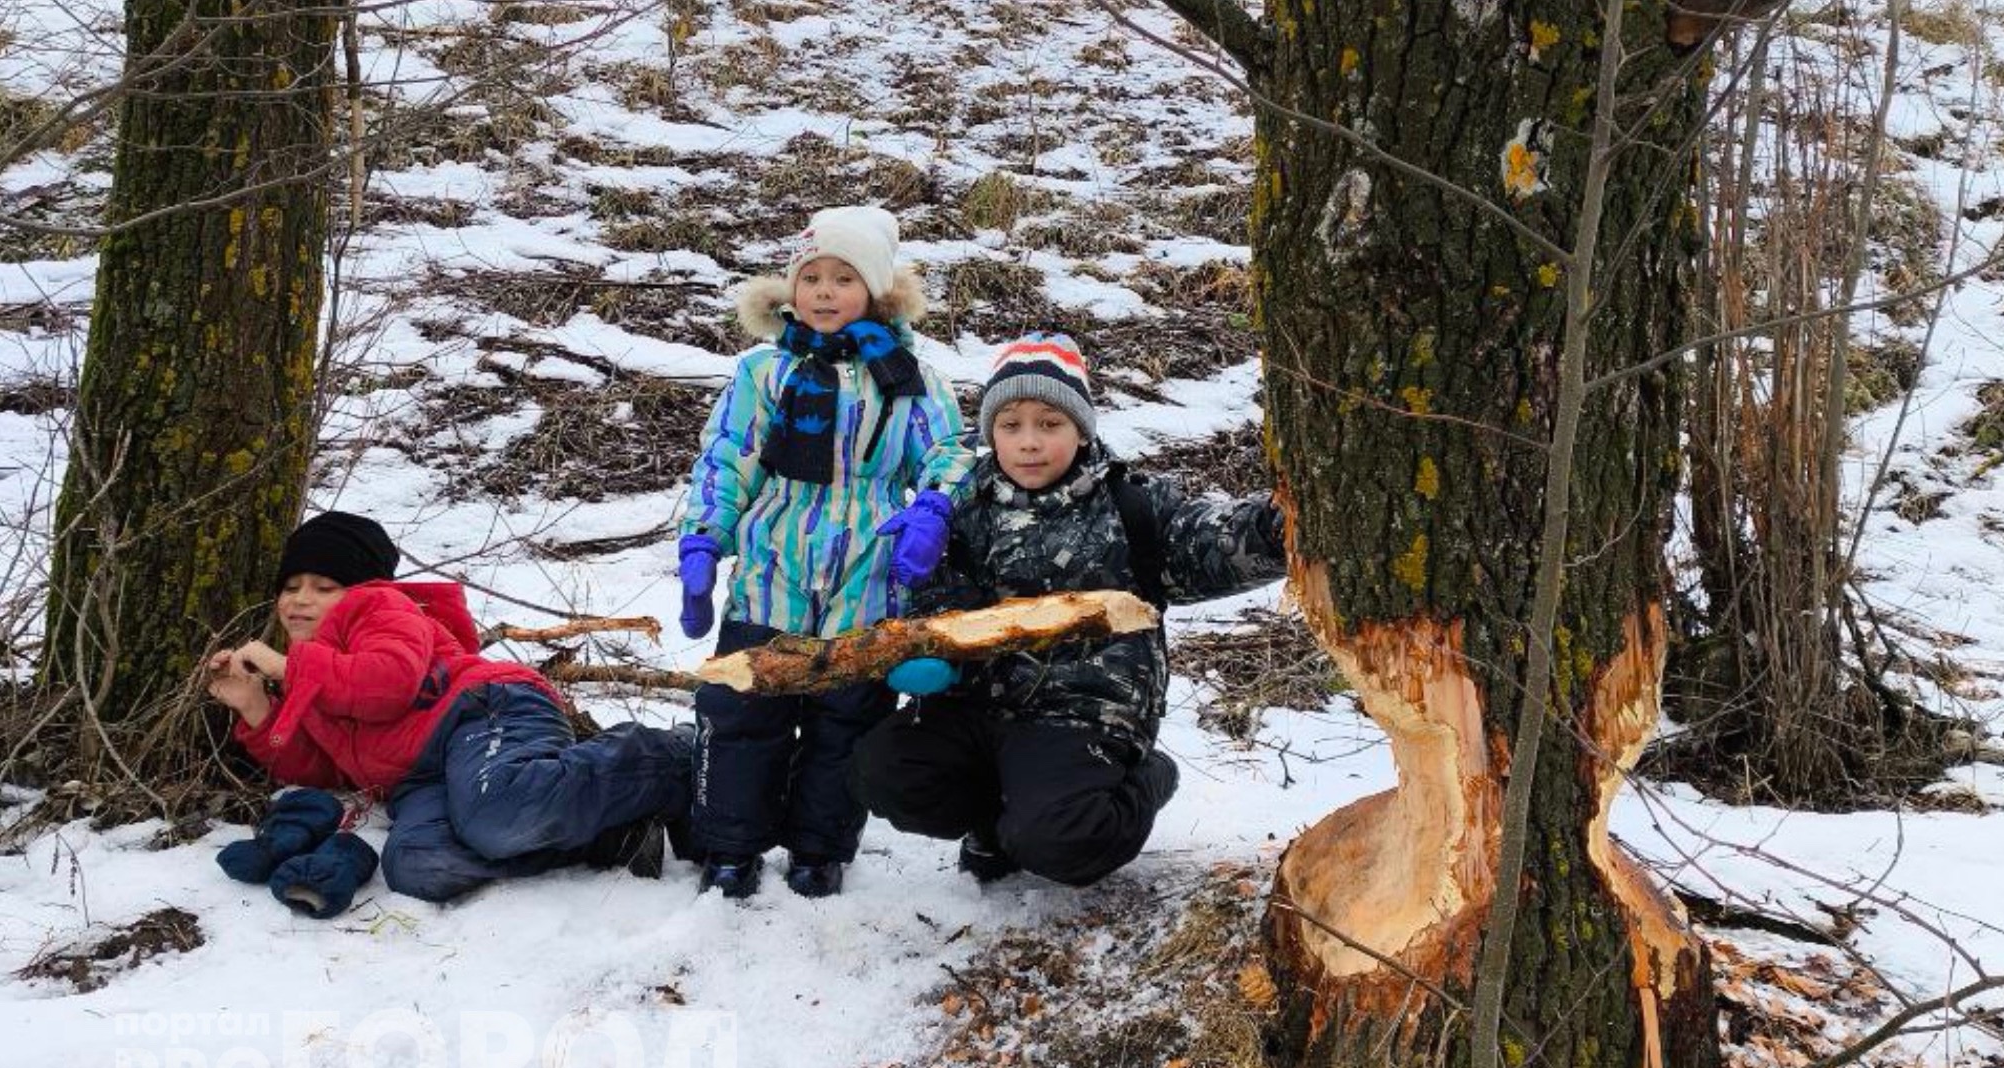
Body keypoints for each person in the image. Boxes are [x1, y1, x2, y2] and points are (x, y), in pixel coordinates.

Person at [850, 332, 1288, 887]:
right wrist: (932, 645)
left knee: (1063, 840)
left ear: (1081, 429)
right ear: (991, 434)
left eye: (1049, 424)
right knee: (885, 768)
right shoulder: (960, 508)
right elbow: (933, 596)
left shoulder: (1131, 506)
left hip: (1084, 715)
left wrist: (1282, 524)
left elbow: (1214, 539)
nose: (1029, 442)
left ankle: (1143, 781)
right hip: (982, 708)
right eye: (1011, 426)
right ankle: (992, 822)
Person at [677, 205, 974, 899]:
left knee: (847, 718)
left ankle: (820, 848)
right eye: (811, 276)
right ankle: (731, 847)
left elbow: (949, 453)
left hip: (868, 569)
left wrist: (932, 507)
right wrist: (704, 542)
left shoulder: (907, 376)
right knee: (745, 712)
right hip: (772, 563)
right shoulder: (763, 371)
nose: (824, 292)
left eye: (844, 278)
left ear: (875, 291)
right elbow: (729, 460)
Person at [206, 511, 694, 913]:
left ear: (359, 589)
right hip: (422, 780)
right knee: (416, 866)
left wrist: (290, 671)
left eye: (323, 586)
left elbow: (389, 683)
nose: (300, 600)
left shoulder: (379, 610)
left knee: (495, 812)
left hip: (483, 713)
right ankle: (613, 836)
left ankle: (671, 755)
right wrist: (256, 705)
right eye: (290, 587)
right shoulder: (311, 671)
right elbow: (325, 767)